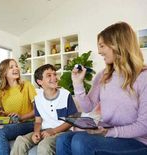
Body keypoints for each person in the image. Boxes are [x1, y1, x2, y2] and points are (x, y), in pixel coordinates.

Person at [56, 22, 147, 155]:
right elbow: (88, 107)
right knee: (63, 139)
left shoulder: (143, 77)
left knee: (81, 142)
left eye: (102, 46)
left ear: (118, 45)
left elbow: (144, 126)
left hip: (136, 141)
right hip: (109, 134)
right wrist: (78, 84)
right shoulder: (103, 75)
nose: (99, 51)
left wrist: (109, 132)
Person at [11, 64, 78, 155]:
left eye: (54, 74)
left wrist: (53, 131)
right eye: (49, 75)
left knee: (44, 145)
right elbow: (38, 121)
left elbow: (72, 120)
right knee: (20, 141)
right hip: (44, 131)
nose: (54, 77)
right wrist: (36, 132)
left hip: (62, 132)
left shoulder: (65, 94)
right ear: (40, 81)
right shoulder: (38, 98)